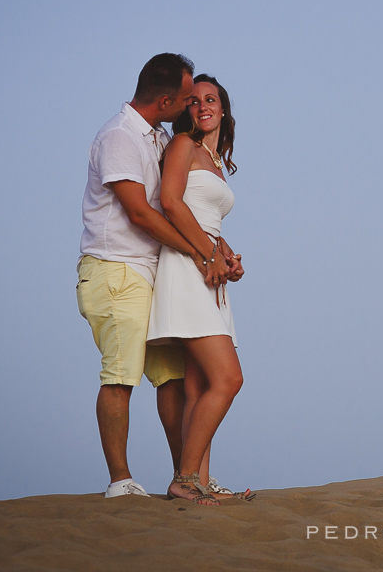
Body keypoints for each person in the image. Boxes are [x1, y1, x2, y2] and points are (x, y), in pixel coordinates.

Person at [76, 53, 225, 498]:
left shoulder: (158, 139)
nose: (188, 106)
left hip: (153, 274)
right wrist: (200, 255)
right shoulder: (120, 136)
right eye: (184, 98)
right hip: (116, 270)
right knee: (120, 376)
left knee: (173, 379)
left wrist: (219, 250)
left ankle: (188, 478)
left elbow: (180, 203)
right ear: (164, 99)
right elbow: (141, 213)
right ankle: (120, 481)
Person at [148, 74, 254, 504]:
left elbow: (206, 216)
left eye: (211, 99)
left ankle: (200, 482)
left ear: (223, 109)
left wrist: (226, 255)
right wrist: (207, 252)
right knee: (229, 378)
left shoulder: (213, 160)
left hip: (208, 267)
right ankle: (185, 478)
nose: (202, 106)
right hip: (186, 266)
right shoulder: (183, 147)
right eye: (193, 101)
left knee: (198, 386)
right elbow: (171, 203)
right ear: (186, 111)